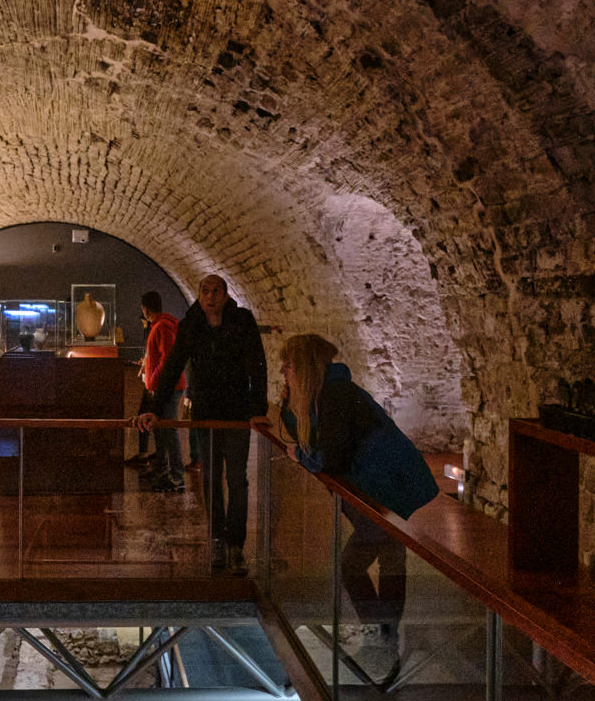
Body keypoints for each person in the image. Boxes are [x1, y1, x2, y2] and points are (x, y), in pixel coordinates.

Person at [277, 334, 438, 663]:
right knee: (391, 557)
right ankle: (384, 639)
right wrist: (288, 406)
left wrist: (301, 458)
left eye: (289, 364)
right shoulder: (329, 393)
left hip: (383, 489)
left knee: (354, 565)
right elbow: (313, 437)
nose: (283, 370)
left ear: (305, 367)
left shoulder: (335, 395)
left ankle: (379, 636)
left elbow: (331, 456)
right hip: (381, 487)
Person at [132, 274, 267, 574]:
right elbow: (173, 365)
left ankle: (236, 545)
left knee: (237, 479)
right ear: (199, 294)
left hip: (236, 412)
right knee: (210, 478)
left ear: (225, 294)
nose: (210, 296)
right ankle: (217, 540)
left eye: (216, 291)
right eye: (205, 291)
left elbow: (257, 364)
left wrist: (258, 409)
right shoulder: (190, 325)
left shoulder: (242, 321)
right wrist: (155, 407)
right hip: (206, 411)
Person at [134, 291, 184, 492]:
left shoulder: (162, 326)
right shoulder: (160, 325)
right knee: (161, 430)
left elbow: (167, 359)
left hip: (167, 388)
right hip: (163, 387)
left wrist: (153, 377)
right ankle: (162, 469)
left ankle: (176, 476)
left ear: (145, 309)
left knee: (168, 430)